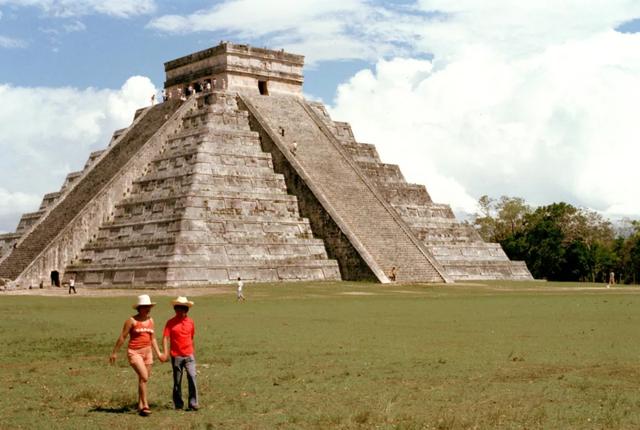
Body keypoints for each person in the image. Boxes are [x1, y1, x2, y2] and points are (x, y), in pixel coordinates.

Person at [109, 295, 164, 416]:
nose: (148, 309)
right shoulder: (131, 321)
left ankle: (140, 405)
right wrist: (114, 352)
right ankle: (145, 405)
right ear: (139, 308)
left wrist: (158, 353)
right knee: (144, 377)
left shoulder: (151, 320)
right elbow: (123, 336)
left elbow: (153, 338)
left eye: (149, 307)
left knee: (143, 379)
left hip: (148, 351)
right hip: (134, 352)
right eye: (145, 307)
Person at [161, 297, 199, 411]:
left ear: (186, 310)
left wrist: (193, 352)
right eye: (177, 309)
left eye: (182, 309)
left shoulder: (191, 322)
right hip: (176, 355)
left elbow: (191, 338)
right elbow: (165, 337)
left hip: (189, 355)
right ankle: (178, 404)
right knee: (177, 381)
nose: (179, 311)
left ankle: (193, 403)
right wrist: (166, 352)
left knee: (192, 376)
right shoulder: (170, 322)